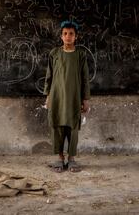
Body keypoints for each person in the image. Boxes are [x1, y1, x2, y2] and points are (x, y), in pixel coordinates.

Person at [43, 20, 91, 173]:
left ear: (76, 36)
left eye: (71, 34)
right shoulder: (54, 54)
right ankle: (59, 158)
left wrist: (85, 99)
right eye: (65, 34)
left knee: (73, 128)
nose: (68, 36)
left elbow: (84, 78)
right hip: (57, 96)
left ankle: (71, 159)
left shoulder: (80, 55)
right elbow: (49, 76)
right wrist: (48, 96)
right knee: (57, 126)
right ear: (61, 36)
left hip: (74, 97)